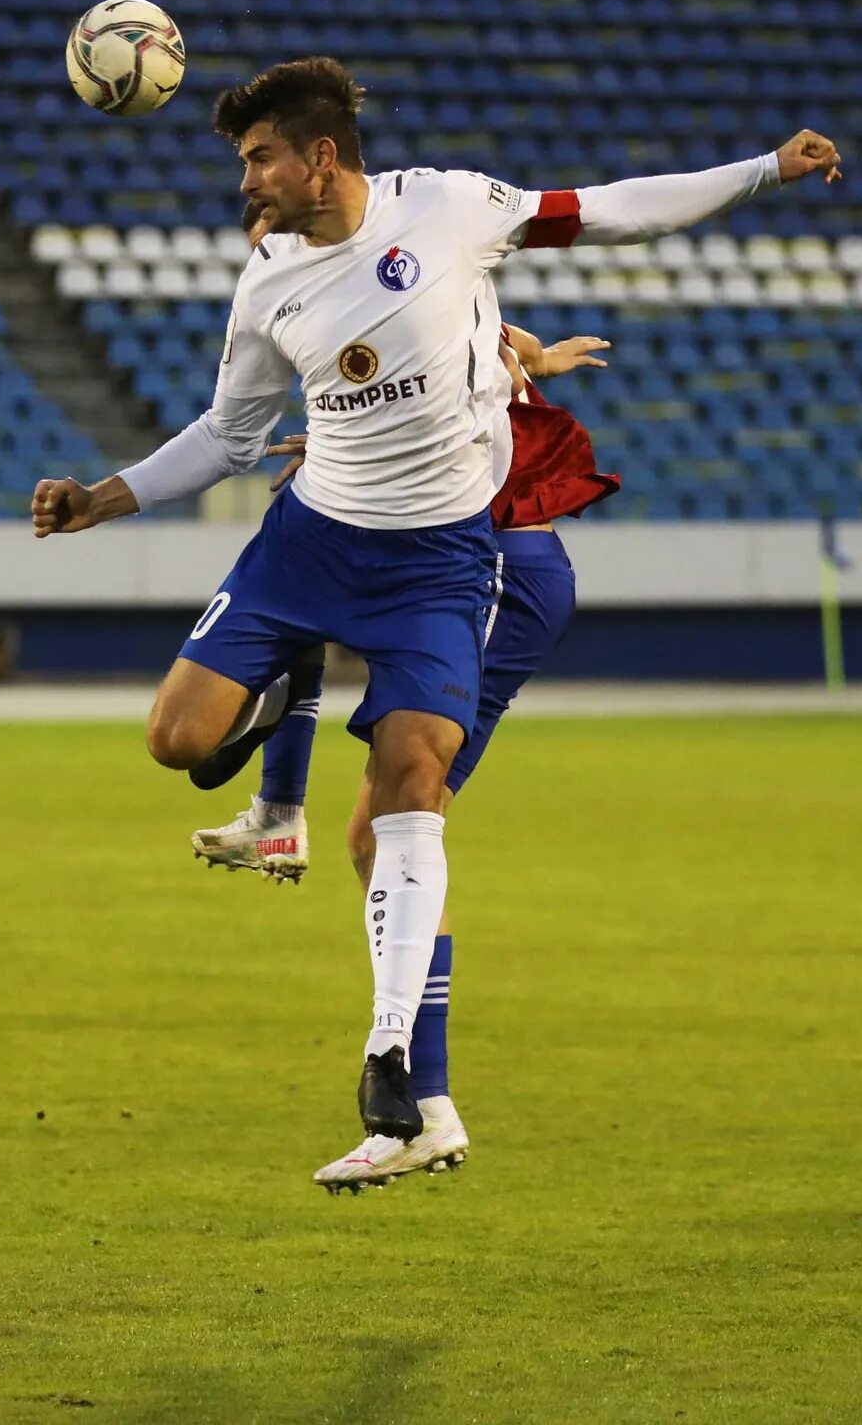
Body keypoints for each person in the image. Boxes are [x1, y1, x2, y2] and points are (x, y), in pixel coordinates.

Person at [31, 54, 839, 1184]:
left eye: (260, 157)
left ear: (322, 157)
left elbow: (606, 212)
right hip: (308, 542)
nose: (246, 181)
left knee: (412, 782)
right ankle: (278, 712)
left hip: (439, 564)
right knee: (176, 740)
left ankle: (392, 1059)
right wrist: (102, 497)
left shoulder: (449, 207)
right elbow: (227, 432)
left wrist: (763, 171)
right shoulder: (267, 281)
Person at [196, 319, 621, 1191]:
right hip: (492, 563)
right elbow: (490, 357)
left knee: (396, 818)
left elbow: (474, 373)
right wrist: (530, 361)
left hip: (497, 568)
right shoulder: (417, 291)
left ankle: (280, 814)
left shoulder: (412, 277)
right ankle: (428, 1109)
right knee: (376, 836)